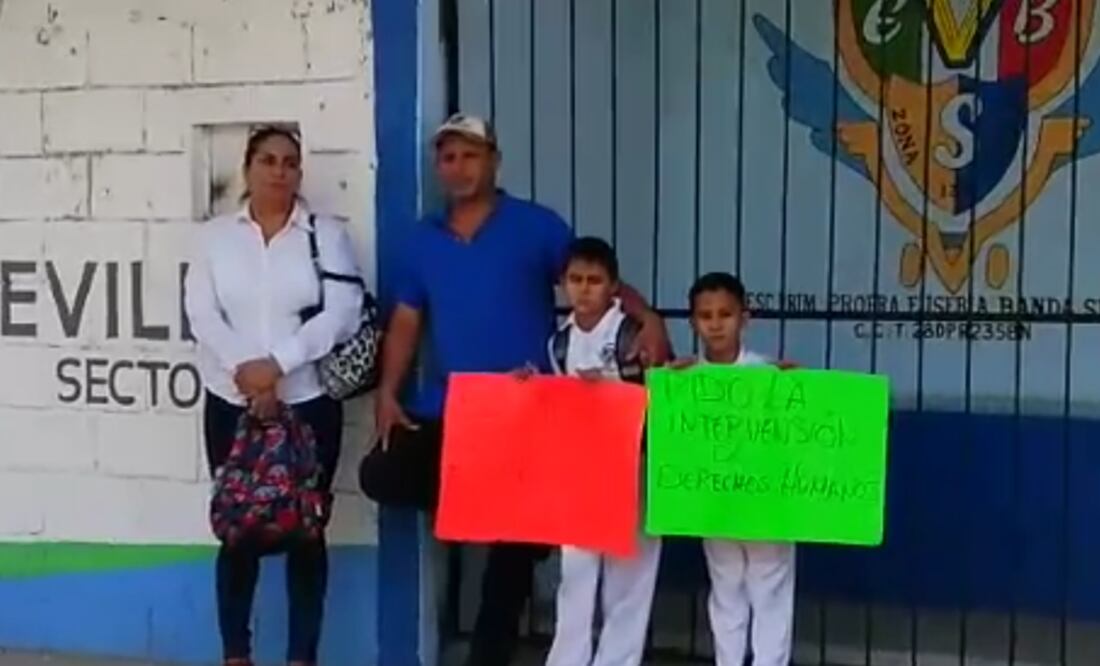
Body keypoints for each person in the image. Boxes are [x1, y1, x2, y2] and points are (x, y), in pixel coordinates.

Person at [375, 113, 671, 666]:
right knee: (382, 472)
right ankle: (515, 525)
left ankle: (490, 650)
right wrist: (387, 392)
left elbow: (592, 280)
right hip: (458, 409)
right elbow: (406, 321)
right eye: (448, 157)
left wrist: (647, 317)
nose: (459, 167)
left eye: (471, 155)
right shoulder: (421, 240)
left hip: (533, 408)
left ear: (494, 160)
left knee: (512, 541)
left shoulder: (537, 226)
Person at [185, 125, 362, 666]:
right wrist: (247, 370)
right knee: (238, 529)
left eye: (290, 162)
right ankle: (236, 654)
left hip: (307, 403)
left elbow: (343, 312)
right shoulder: (216, 238)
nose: (279, 172)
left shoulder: (324, 235)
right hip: (230, 402)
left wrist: (278, 364)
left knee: (306, 531)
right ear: (248, 168)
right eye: (267, 160)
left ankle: (301, 656)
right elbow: (201, 312)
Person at [531, 237, 661, 666]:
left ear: (614, 286)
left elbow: (660, 395)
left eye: (594, 280)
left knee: (630, 573)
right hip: (582, 469)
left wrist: (607, 389)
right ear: (563, 284)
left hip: (633, 464)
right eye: (576, 279)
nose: (584, 290)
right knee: (576, 572)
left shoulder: (631, 335)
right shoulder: (559, 343)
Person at [673, 271, 797, 666]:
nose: (715, 324)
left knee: (770, 589)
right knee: (725, 590)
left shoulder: (769, 376)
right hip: (716, 504)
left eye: (725, 314)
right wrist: (670, 386)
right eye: (705, 315)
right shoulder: (684, 379)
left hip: (766, 506)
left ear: (745, 318)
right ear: (693, 321)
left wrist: (799, 388)